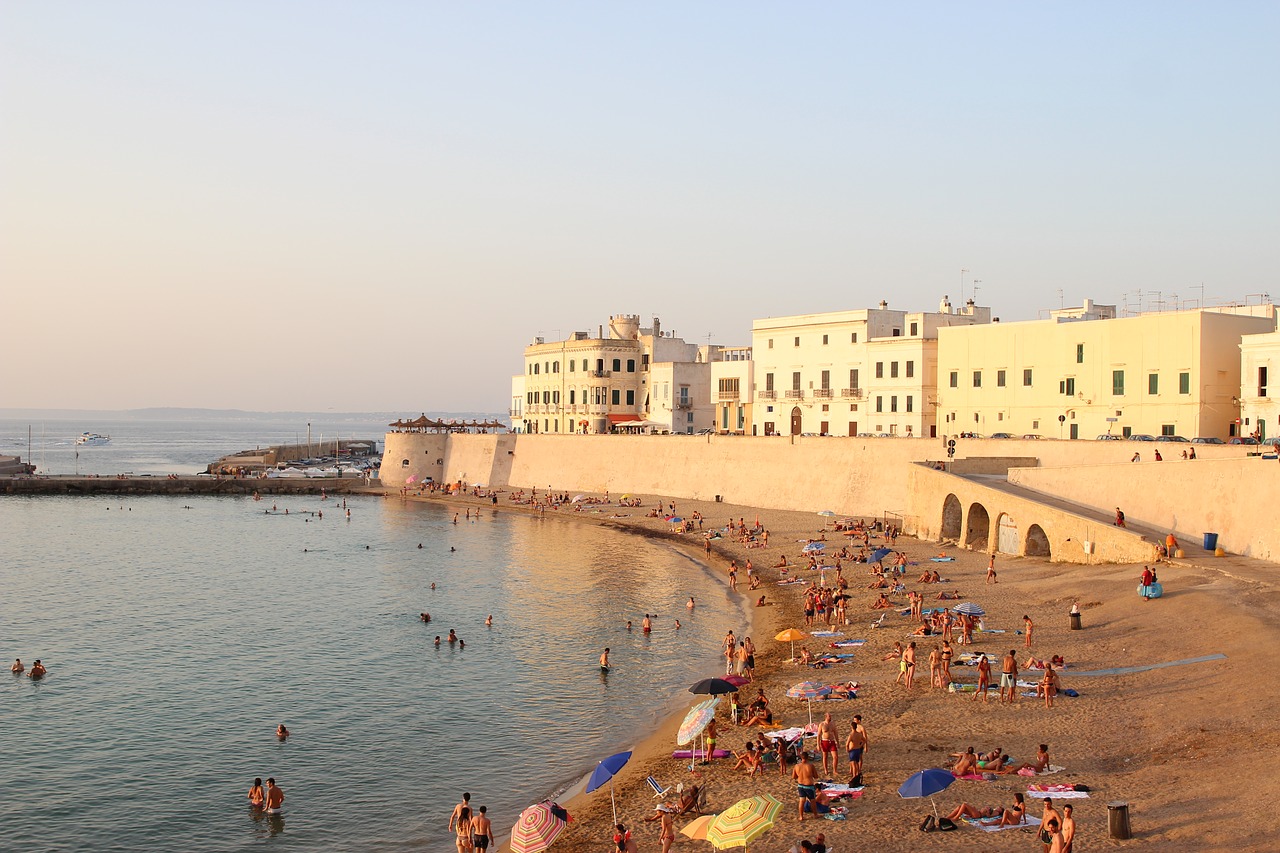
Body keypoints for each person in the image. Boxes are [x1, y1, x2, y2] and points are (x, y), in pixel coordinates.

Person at [792, 751, 820, 820]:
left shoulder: (796, 766)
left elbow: (794, 777)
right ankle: (815, 815)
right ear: (808, 757)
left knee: (801, 801)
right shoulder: (810, 766)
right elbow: (816, 776)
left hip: (800, 785)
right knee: (812, 801)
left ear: (801, 758)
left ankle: (801, 816)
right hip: (809, 786)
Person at [845, 714, 868, 784]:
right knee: (856, 763)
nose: (854, 721)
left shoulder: (858, 730)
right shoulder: (858, 733)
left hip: (854, 749)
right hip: (857, 748)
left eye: (855, 720)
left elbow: (847, 744)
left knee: (854, 762)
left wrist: (848, 749)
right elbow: (864, 739)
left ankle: (855, 775)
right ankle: (856, 773)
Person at [816, 712, 839, 776]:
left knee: (835, 757)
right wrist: (818, 744)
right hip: (824, 741)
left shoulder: (833, 724)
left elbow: (836, 733)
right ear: (826, 717)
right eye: (829, 716)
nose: (830, 717)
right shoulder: (822, 724)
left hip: (832, 741)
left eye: (830, 716)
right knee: (825, 756)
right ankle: (826, 770)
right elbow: (819, 735)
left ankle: (834, 770)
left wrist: (838, 742)